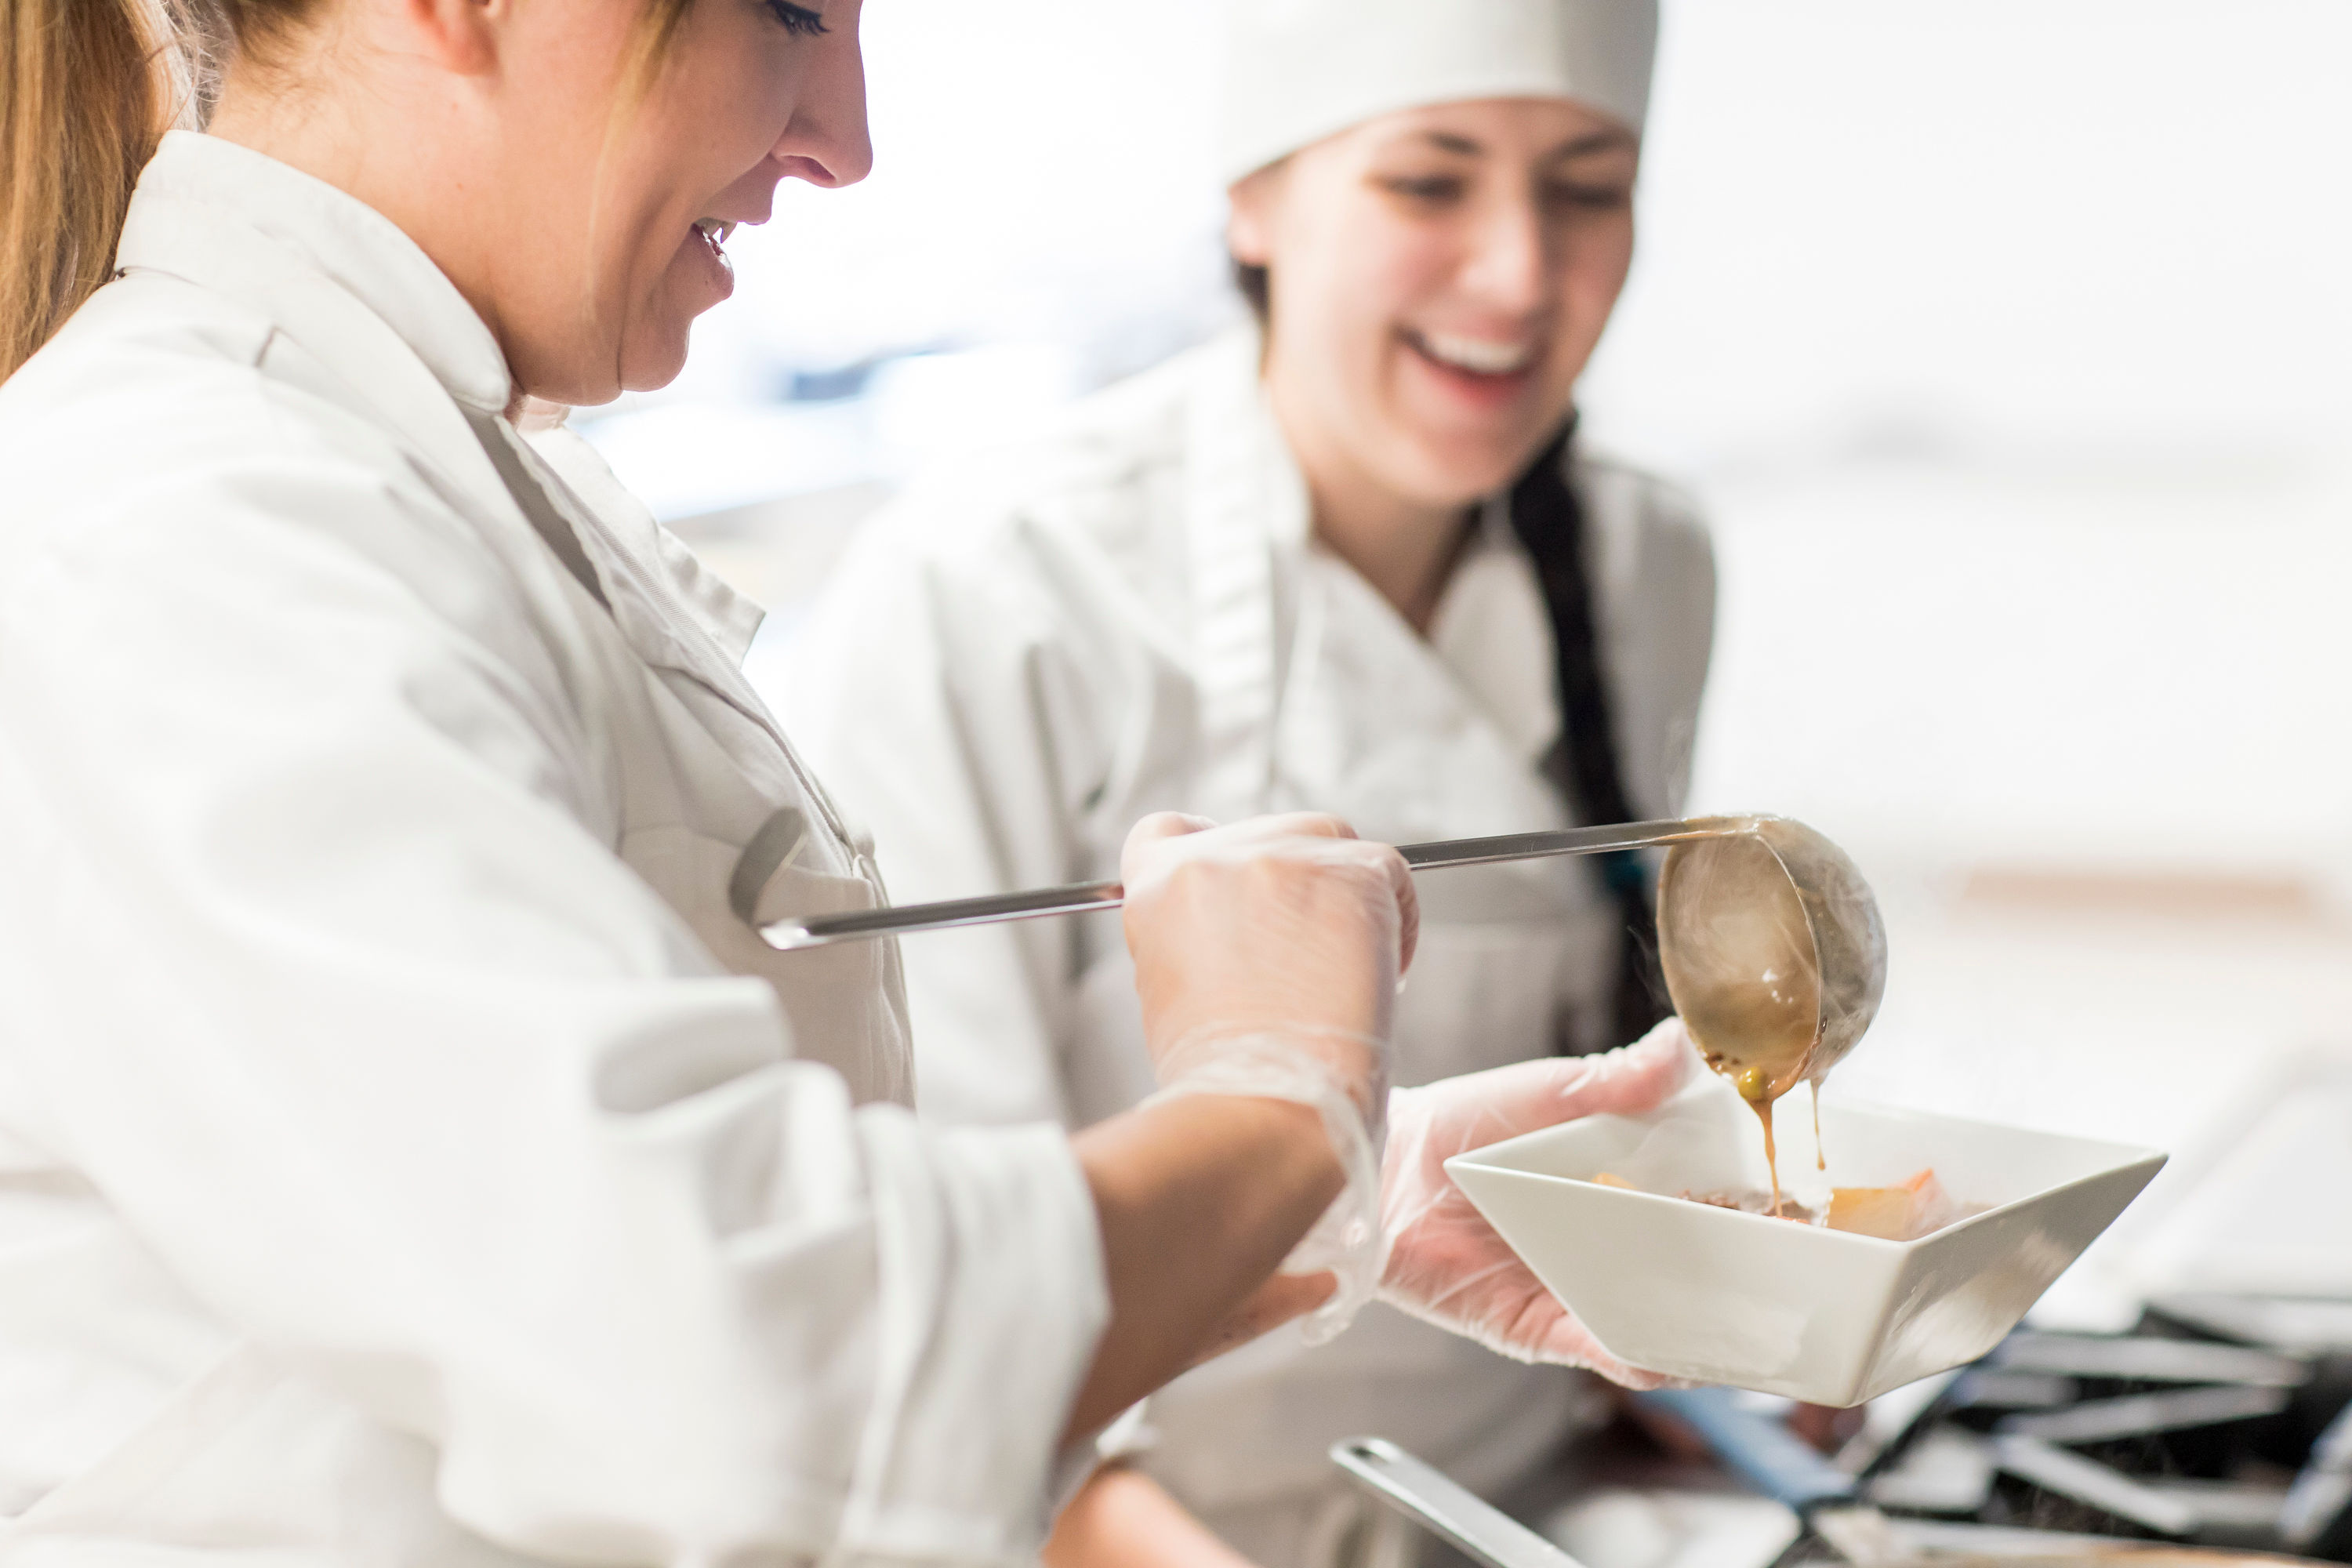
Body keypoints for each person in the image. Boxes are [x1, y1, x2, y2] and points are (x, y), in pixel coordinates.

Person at [0, 1, 1697, 1564]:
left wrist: (1343, 1183)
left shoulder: (456, 482)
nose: (844, 133)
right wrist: (1273, 1104)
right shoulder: (186, 523)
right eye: (791, 6)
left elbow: (760, 1263)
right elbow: (743, 1362)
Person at [786, 3, 1716, 1566]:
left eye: (1586, 185)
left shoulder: (1648, 562)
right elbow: (945, 1323)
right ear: (1256, 199)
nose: (1519, 273)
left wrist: (1708, 1352)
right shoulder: (996, 585)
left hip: (1526, 1512)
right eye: (1430, 183)